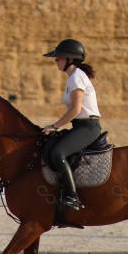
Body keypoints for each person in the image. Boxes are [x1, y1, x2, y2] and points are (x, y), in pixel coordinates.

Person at [42, 39, 102, 211]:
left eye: (59, 57)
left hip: (88, 126)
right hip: (80, 126)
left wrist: (54, 126)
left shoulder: (76, 78)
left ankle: (72, 196)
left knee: (58, 152)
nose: (56, 60)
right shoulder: (73, 78)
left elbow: (75, 110)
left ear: (70, 59)